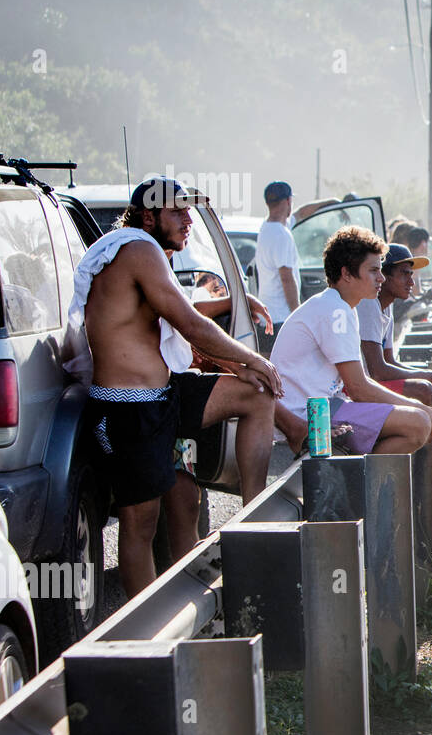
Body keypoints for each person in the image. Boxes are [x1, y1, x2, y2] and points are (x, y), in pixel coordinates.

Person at [70, 177, 287, 597]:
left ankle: (253, 520)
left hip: (164, 395)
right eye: (178, 211)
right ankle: (144, 633)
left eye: (190, 211)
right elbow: (190, 322)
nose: (189, 220)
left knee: (256, 394)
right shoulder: (137, 250)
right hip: (127, 408)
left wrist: (240, 368)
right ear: (149, 215)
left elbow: (182, 329)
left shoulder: (147, 252)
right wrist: (252, 357)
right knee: (140, 525)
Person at [271, 225, 432, 456]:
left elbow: (360, 385)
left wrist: (422, 410)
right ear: (346, 273)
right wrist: (422, 408)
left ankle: (356, 475)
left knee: (420, 420)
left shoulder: (340, 306)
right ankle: (358, 483)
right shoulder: (334, 309)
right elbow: (359, 388)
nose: (380, 278)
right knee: (418, 422)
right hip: (309, 415)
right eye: (373, 270)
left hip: (330, 406)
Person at [357, 242, 432, 405]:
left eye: (411, 275)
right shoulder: (368, 304)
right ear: (384, 276)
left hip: (373, 382)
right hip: (357, 389)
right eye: (405, 274)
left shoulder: (386, 306)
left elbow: (390, 361)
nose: (411, 282)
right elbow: (378, 372)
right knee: (424, 389)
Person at [254, 181, 301, 355]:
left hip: (266, 314)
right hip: (282, 317)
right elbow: (287, 279)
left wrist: (329, 203)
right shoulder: (282, 235)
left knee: (268, 367)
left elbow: (301, 214)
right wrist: (298, 314)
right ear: (288, 201)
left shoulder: (266, 229)